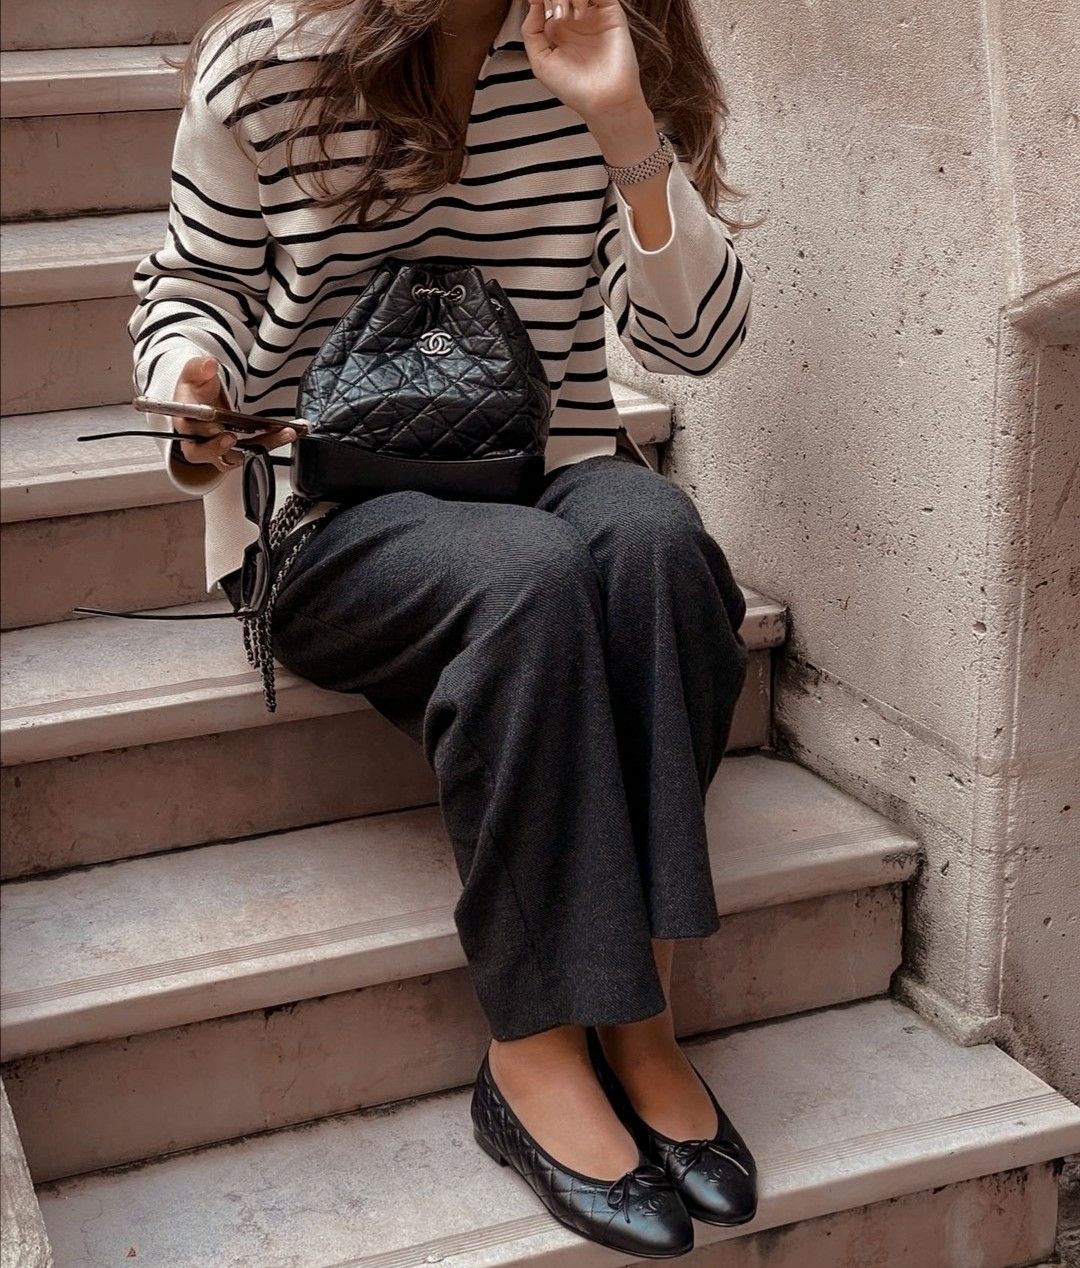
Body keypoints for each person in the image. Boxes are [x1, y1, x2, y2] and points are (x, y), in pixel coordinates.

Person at [129, 0, 756, 1254]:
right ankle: (533, 1050)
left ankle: (637, 1010)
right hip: (327, 511)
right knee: (529, 572)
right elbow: (189, 288)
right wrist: (193, 390)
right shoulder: (272, 57)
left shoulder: (604, 42)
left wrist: (622, 119)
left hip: (544, 460)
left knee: (658, 543)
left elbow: (696, 337)